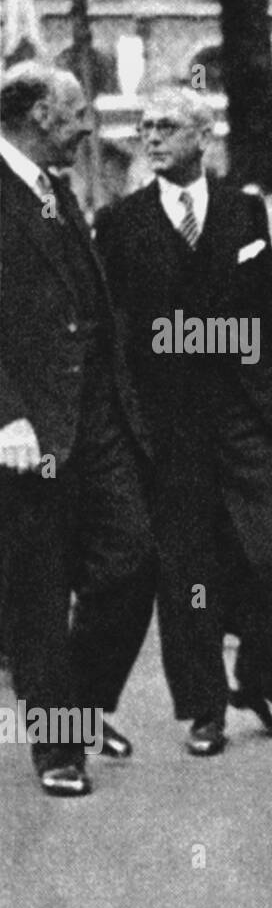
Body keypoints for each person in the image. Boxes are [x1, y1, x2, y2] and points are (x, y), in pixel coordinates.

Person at [96, 87, 272, 756]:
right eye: (144, 127)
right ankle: (205, 707)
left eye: (166, 126)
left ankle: (260, 683)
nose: (151, 137)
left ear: (203, 135)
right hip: (169, 425)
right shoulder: (122, 223)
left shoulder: (246, 209)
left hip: (247, 412)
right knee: (186, 568)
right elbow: (120, 331)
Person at [0, 62, 154, 795]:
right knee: (38, 590)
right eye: (75, 114)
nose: (89, 127)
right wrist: (6, 416)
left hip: (96, 418)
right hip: (28, 430)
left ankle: (79, 710)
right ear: (35, 116)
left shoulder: (55, 187)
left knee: (132, 561)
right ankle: (58, 747)